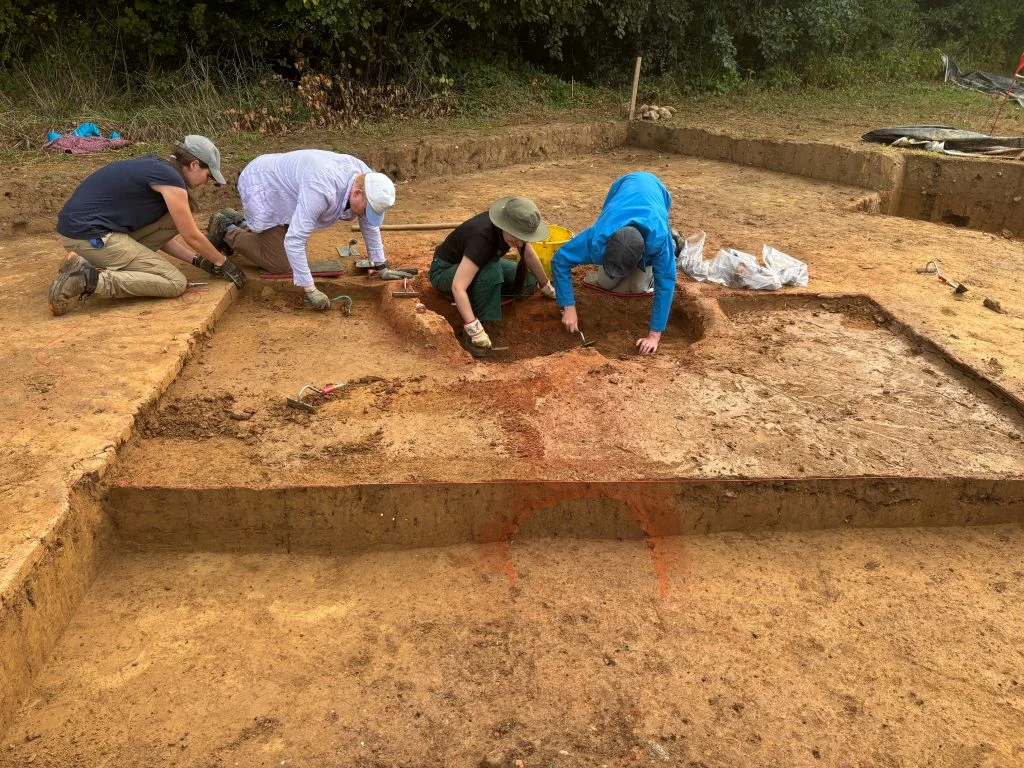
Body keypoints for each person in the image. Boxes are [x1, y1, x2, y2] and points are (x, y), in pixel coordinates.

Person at [48, 135, 245, 316]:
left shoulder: (158, 167)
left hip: (82, 233)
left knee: (173, 219)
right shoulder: (171, 181)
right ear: (194, 165)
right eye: (209, 176)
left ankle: (85, 262)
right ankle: (87, 279)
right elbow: (191, 235)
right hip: (90, 237)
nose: (207, 182)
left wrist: (197, 260)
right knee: (175, 283)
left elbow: (162, 233)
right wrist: (223, 263)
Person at [206, 150, 396, 311]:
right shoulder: (322, 189)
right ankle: (225, 227)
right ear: (356, 193)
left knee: (283, 244)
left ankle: (236, 219)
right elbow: (295, 240)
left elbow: (369, 224)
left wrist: (380, 265)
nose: (365, 215)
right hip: (263, 183)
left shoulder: (367, 179)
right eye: (366, 209)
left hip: (288, 187)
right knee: (280, 263)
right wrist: (310, 289)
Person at [550, 171, 678, 355]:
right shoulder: (597, 237)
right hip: (623, 187)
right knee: (607, 282)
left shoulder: (658, 242)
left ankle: (674, 239)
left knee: (636, 286)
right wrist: (568, 306)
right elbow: (560, 259)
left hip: (657, 195)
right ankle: (611, 274)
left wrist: (654, 336)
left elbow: (666, 284)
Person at [429, 196, 555, 356]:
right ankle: (475, 330)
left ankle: (484, 292)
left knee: (526, 282)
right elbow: (458, 286)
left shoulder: (513, 233)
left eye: (523, 239)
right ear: (505, 225)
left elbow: (529, 256)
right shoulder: (482, 238)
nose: (519, 244)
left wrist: (545, 284)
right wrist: (472, 327)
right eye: (516, 238)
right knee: (491, 272)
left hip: (479, 265)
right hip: (445, 272)